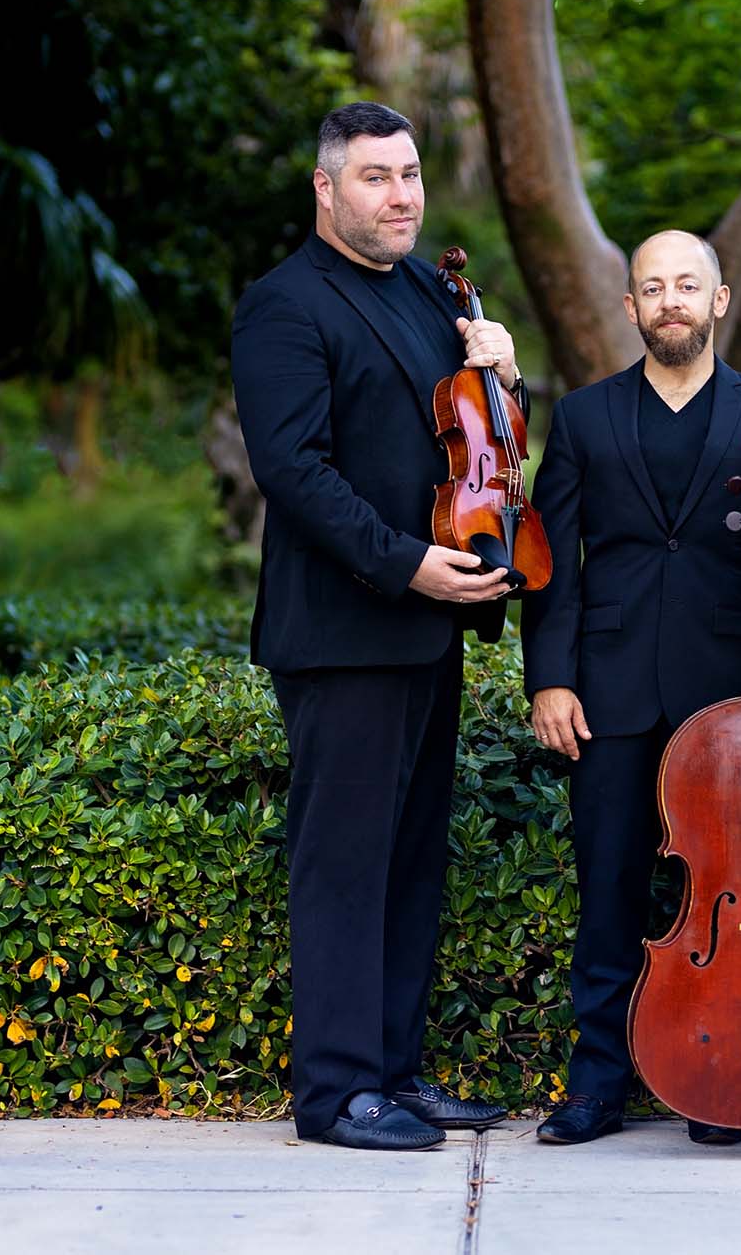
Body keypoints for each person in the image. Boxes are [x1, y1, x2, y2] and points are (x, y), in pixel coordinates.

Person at [231, 101, 519, 1150]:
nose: (400, 196)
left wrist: (503, 364)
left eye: (408, 175)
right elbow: (292, 471)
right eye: (374, 178)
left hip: (426, 625)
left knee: (407, 861)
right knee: (345, 865)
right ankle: (337, 1091)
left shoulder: (428, 292)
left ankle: (394, 1072)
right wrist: (407, 567)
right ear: (325, 188)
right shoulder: (284, 305)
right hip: (348, 628)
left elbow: (474, 433)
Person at [521, 230, 741, 1146]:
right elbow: (552, 565)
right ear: (630, 308)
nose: (670, 301)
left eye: (685, 285)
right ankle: (597, 1082)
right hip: (611, 691)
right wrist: (551, 679)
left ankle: (722, 1073)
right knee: (608, 890)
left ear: (719, 300)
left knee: (735, 893)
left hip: (731, 699)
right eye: (652, 288)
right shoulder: (581, 417)